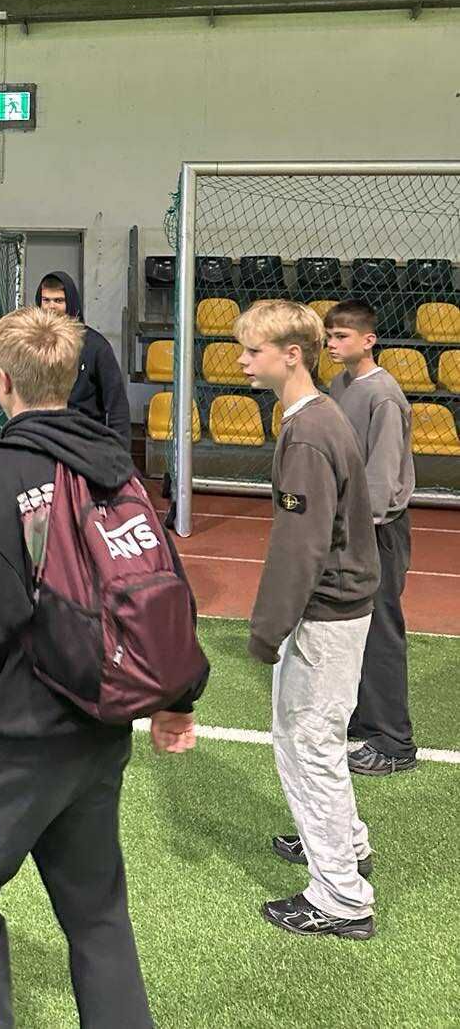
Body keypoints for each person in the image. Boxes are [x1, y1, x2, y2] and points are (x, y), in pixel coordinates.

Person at [0, 306, 201, 1029]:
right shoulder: (115, 465)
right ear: (71, 375)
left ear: (1, 380)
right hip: (98, 732)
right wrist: (178, 697)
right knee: (97, 913)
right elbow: (163, 583)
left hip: (13, 735)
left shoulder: (2, 472)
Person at [235, 300, 381, 939]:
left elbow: (300, 547)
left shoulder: (309, 433)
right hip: (338, 608)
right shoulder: (314, 417)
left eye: (254, 351)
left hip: (326, 613)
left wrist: (266, 630)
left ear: (292, 355)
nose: (242, 361)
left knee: (308, 745)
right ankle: (346, 844)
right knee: (315, 741)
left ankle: (341, 898)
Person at [324, 300, 418, 775]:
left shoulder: (383, 395)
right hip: (351, 523)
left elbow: (383, 473)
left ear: (368, 340)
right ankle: (363, 718)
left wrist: (363, 526)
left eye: (342, 336)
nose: (332, 344)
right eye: (329, 336)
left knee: (381, 630)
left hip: (378, 528)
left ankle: (394, 742)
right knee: (354, 623)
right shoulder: (340, 385)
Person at [34, 271, 130, 447]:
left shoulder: (96, 347)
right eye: (46, 300)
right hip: (43, 440)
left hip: (86, 442)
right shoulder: (32, 345)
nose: (51, 307)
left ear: (71, 302)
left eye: (58, 301)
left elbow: (117, 406)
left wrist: (120, 454)